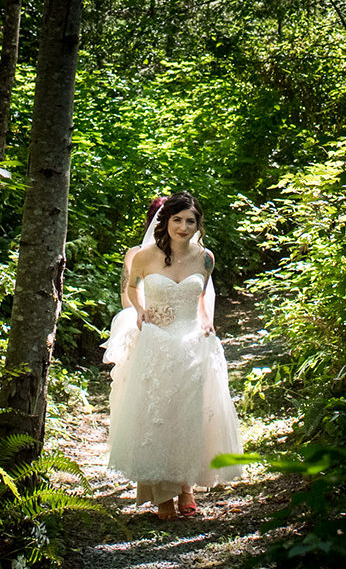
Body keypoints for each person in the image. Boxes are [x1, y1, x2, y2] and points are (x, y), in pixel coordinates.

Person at [104, 192, 244, 520]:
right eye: (177, 220)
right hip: (157, 340)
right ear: (165, 222)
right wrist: (141, 311)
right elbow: (131, 288)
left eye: (190, 221)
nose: (183, 227)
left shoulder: (205, 258)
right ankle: (162, 495)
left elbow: (202, 294)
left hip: (192, 338)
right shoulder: (143, 257)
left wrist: (206, 321)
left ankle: (186, 487)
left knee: (190, 413)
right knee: (160, 412)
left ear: (198, 224)